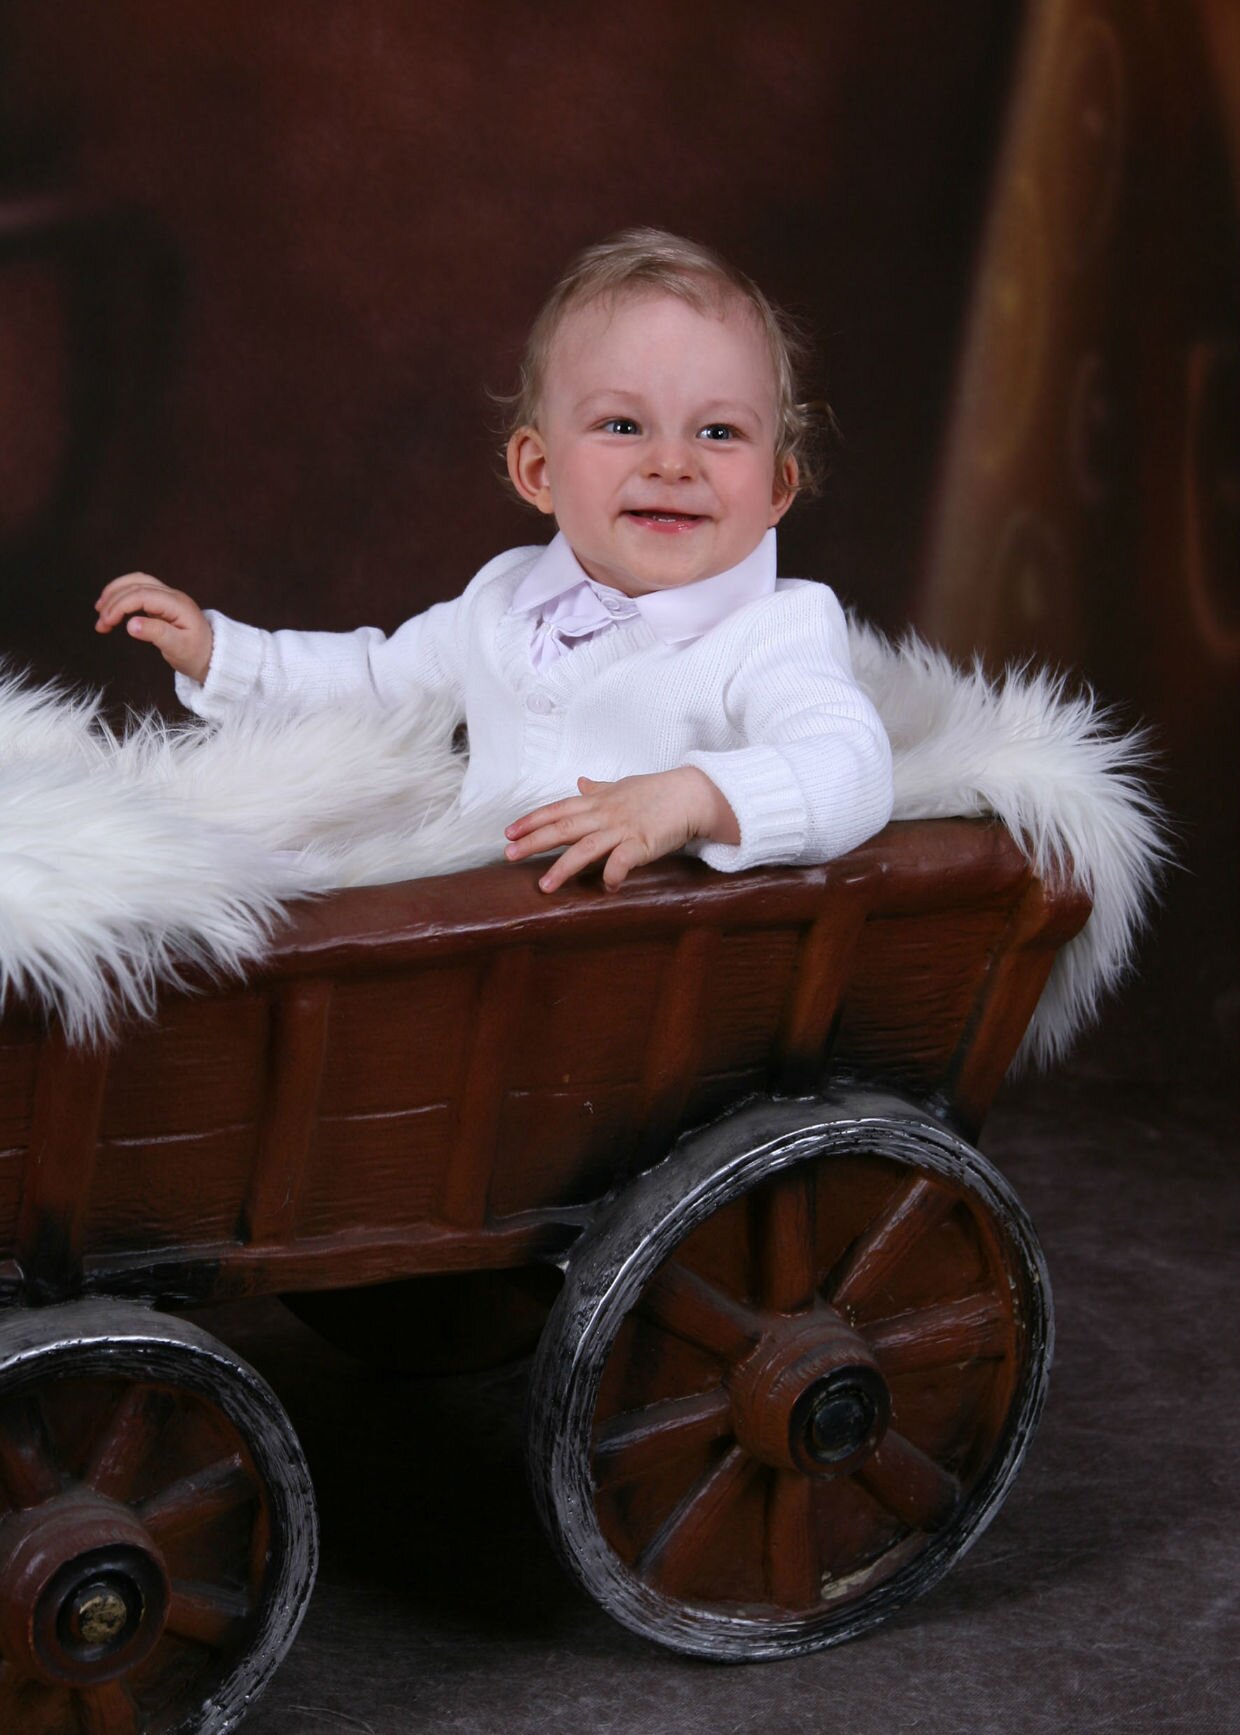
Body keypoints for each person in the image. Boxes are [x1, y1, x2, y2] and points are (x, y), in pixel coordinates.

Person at [95, 228, 893, 892]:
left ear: (778, 487)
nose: (672, 462)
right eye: (622, 426)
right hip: (482, 937)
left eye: (719, 432)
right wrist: (223, 655)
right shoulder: (503, 601)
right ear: (538, 471)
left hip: (655, 960)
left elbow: (850, 766)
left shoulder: (775, 632)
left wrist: (697, 797)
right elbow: (375, 683)